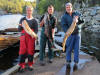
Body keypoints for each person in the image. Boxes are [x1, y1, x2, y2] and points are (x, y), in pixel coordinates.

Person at [61, 2, 84, 70]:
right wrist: (67, 32)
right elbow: (64, 26)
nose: (68, 8)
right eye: (67, 7)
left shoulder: (77, 13)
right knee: (69, 49)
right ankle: (68, 62)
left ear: (71, 7)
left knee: (77, 49)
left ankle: (76, 63)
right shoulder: (64, 16)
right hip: (69, 35)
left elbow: (83, 21)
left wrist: (78, 20)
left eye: (69, 7)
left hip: (77, 35)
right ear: (66, 8)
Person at [18, 6, 38, 72]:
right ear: (26, 11)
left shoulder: (35, 21)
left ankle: (30, 64)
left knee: (31, 51)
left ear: (32, 11)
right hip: (23, 37)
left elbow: (36, 30)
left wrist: (33, 35)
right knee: (22, 52)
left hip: (31, 38)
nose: (29, 12)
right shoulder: (22, 19)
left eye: (30, 10)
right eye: (28, 10)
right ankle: (22, 65)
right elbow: (19, 29)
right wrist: (20, 27)